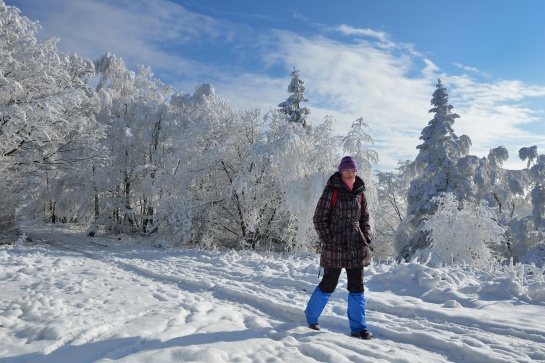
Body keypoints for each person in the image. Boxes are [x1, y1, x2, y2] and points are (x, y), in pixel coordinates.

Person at [305, 155, 374, 339]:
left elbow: (364, 218)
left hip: (356, 247)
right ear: (341, 170)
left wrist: (365, 237)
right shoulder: (332, 190)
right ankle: (311, 318)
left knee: (357, 287)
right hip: (335, 247)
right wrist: (328, 240)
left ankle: (359, 328)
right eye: (348, 170)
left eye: (354, 170)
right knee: (329, 284)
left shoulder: (360, 192)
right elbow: (319, 218)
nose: (351, 173)